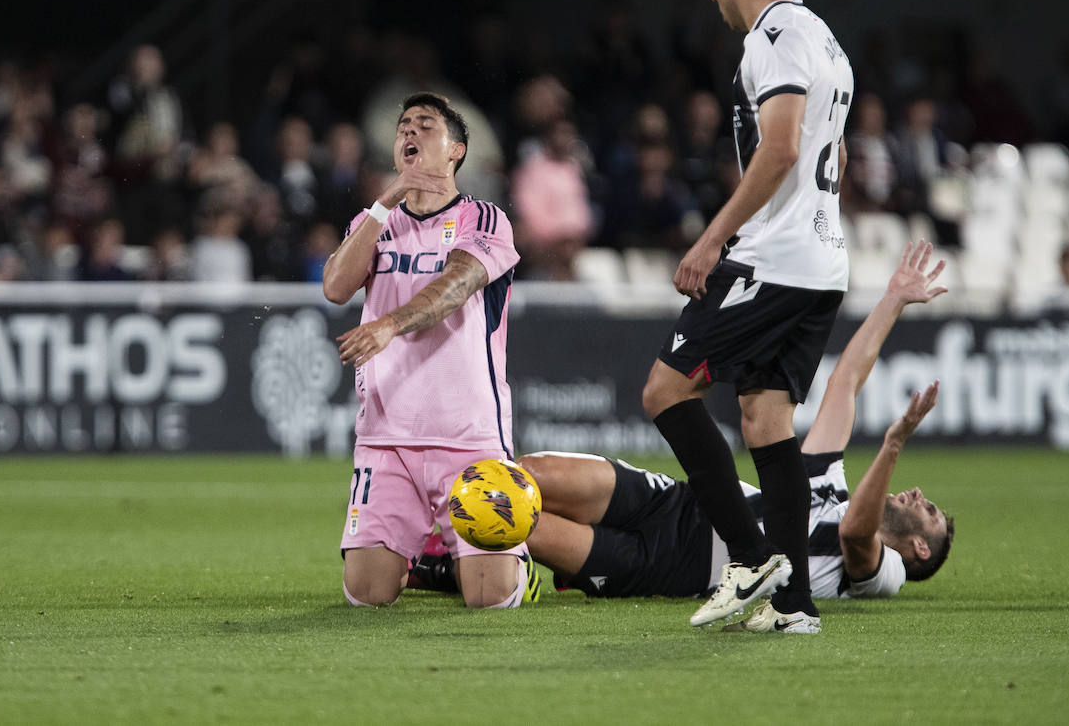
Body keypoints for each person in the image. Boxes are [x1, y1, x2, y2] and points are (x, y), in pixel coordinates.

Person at [408, 243, 953, 622]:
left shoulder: (887, 576)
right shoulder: (828, 480)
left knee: (520, 522)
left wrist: (895, 442)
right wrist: (893, 300)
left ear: (919, 549)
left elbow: (857, 535)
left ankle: (465, 567)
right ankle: (463, 560)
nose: (918, 496)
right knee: (527, 475)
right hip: (678, 505)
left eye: (927, 512)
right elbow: (845, 383)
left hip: (673, 567)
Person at [644, 0, 855, 634]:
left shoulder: (772, 38)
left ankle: (750, 555)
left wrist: (712, 241)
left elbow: (783, 147)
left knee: (664, 390)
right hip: (823, 261)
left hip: (776, 259)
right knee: (767, 419)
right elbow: (838, 156)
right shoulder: (825, 37)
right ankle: (795, 606)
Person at [322, 92, 536, 610]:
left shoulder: (483, 218)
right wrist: (386, 199)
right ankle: (431, 555)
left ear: (456, 150)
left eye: (426, 125)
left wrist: (389, 325)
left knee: (489, 599)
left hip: (468, 437)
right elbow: (335, 285)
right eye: (403, 127)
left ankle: (515, 566)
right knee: (365, 596)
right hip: (386, 437)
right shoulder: (373, 222)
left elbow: (459, 283)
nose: (410, 133)